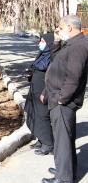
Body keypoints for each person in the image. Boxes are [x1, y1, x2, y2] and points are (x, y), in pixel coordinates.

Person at [41, 15, 88, 183]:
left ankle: (64, 178)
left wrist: (62, 98)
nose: (58, 31)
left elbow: (73, 76)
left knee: (62, 141)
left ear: (69, 27)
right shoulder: (71, 43)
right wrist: (55, 41)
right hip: (59, 99)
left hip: (63, 102)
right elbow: (57, 61)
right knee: (64, 140)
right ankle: (65, 169)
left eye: (60, 28)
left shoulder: (79, 46)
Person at [24, 33, 60, 156]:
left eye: (44, 42)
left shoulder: (53, 57)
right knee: (33, 113)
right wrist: (30, 73)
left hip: (43, 90)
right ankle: (40, 138)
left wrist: (46, 91)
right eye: (41, 41)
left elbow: (52, 75)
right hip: (35, 89)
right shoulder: (41, 55)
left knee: (42, 115)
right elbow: (36, 67)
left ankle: (48, 144)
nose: (41, 43)